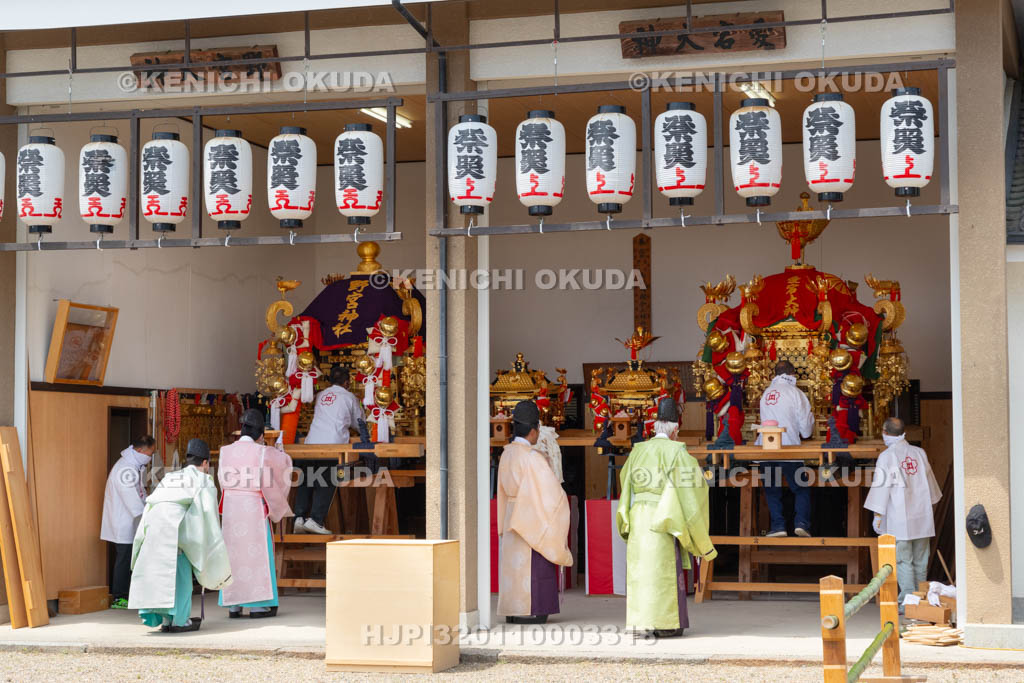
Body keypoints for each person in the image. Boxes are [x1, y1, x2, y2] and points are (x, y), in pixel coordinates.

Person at [617, 398, 716, 638]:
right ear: (675, 430)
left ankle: (641, 621)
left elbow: (625, 482)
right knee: (663, 570)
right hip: (664, 515)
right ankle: (666, 623)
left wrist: (627, 516)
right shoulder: (677, 452)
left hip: (638, 515)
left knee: (641, 570)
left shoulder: (638, 451)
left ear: (654, 427)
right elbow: (692, 491)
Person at [128, 439, 231, 633]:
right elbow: (208, 516)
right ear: (206, 463)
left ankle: (166, 620)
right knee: (181, 578)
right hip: (175, 530)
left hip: (153, 526)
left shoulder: (170, 477)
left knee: (160, 575)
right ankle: (180, 621)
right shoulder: (204, 481)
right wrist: (209, 546)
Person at [496, 400, 573, 624]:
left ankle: (512, 609)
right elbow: (552, 494)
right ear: (533, 430)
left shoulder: (507, 453)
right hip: (530, 516)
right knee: (533, 563)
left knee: (513, 566)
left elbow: (501, 491)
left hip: (511, 513)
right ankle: (532, 609)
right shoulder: (532, 457)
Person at [219, 408, 293, 618]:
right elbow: (284, 464)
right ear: (261, 434)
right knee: (256, 555)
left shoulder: (225, 451)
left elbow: (222, 481)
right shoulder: (263, 452)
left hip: (232, 507)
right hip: (253, 507)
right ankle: (258, 605)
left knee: (233, 555)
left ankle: (234, 605)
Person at [864, 417, 942, 605]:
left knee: (903, 560)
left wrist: (877, 516)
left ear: (885, 432)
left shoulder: (887, 456)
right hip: (922, 515)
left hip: (900, 518)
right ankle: (921, 598)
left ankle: (908, 599)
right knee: (921, 560)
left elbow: (881, 489)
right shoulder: (919, 453)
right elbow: (932, 489)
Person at [297, 365, 364, 535]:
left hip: (312, 443)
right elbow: (359, 422)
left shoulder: (321, 395)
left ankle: (299, 518)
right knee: (327, 479)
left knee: (307, 479)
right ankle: (316, 520)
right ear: (347, 382)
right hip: (332, 444)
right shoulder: (349, 397)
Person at [757, 360, 815, 537]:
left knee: (771, 490)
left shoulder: (766, 393)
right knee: (800, 487)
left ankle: (778, 526)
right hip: (789, 447)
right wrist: (806, 432)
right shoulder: (795, 393)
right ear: (792, 374)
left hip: (767, 448)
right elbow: (806, 429)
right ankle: (801, 523)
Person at [101, 435, 155, 609]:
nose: (150, 457)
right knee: (124, 559)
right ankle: (119, 597)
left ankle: (129, 594)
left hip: (128, 520)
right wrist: (148, 515)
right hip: (123, 522)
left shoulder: (132, 466)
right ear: (139, 450)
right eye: (150, 453)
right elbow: (131, 500)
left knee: (129, 558)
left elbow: (140, 493)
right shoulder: (125, 469)